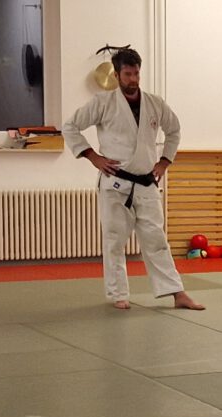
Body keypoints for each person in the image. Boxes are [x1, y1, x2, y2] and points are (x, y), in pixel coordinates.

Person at [63, 48, 203, 311]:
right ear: (117, 75)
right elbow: (70, 126)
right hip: (115, 183)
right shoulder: (102, 103)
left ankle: (177, 293)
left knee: (156, 240)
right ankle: (119, 294)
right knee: (114, 239)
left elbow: (174, 130)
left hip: (147, 182)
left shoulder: (155, 103)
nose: (133, 79)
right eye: (128, 74)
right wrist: (93, 156)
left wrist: (165, 161)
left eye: (137, 73)